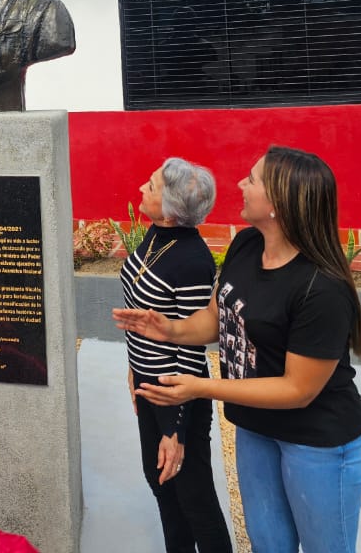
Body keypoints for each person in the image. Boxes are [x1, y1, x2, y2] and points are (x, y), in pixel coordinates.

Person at [115, 146, 361, 553]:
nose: (239, 184)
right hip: (257, 429)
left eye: (252, 180)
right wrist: (169, 329)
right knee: (269, 543)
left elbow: (296, 389)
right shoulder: (247, 246)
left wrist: (201, 388)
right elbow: (217, 317)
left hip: (317, 442)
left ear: (278, 203)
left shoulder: (321, 288)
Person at [117, 158, 232, 553]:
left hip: (178, 392)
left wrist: (176, 431)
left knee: (194, 494)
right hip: (148, 383)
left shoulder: (193, 262)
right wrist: (133, 368)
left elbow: (190, 346)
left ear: (169, 209)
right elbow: (142, 320)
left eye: (149, 186)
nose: (140, 190)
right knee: (160, 481)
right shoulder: (155, 236)